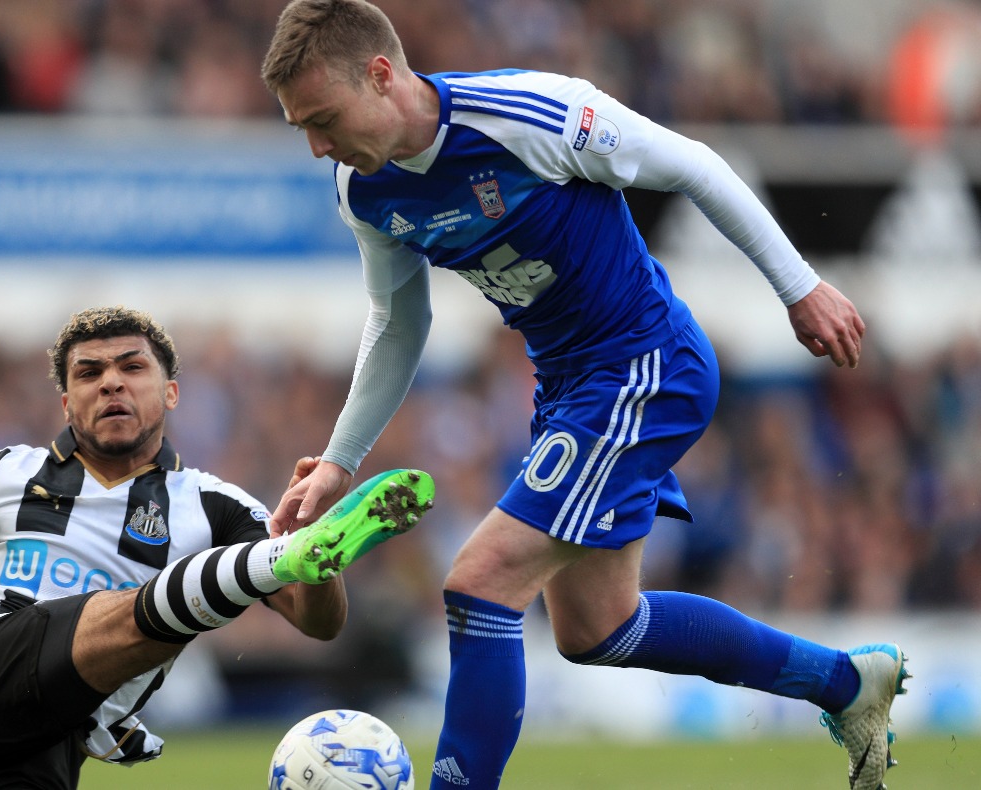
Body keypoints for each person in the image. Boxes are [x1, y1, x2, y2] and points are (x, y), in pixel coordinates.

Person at [259, 3, 908, 789]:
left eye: (323, 118)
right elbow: (398, 322)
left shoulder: (528, 115)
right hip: (569, 387)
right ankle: (847, 685)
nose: (319, 144)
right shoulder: (362, 190)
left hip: (644, 366)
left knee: (480, 580)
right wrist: (337, 462)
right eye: (302, 128)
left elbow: (694, 163)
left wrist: (799, 288)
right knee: (598, 628)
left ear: (381, 75)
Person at [0, 305, 435, 789]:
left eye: (132, 366)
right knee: (126, 609)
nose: (111, 382)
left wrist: (316, 555)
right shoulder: (5, 473)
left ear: (171, 392)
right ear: (66, 403)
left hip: (44, 748)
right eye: (89, 373)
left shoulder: (214, 504)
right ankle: (280, 558)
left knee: (141, 609)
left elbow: (320, 623)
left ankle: (302, 551)